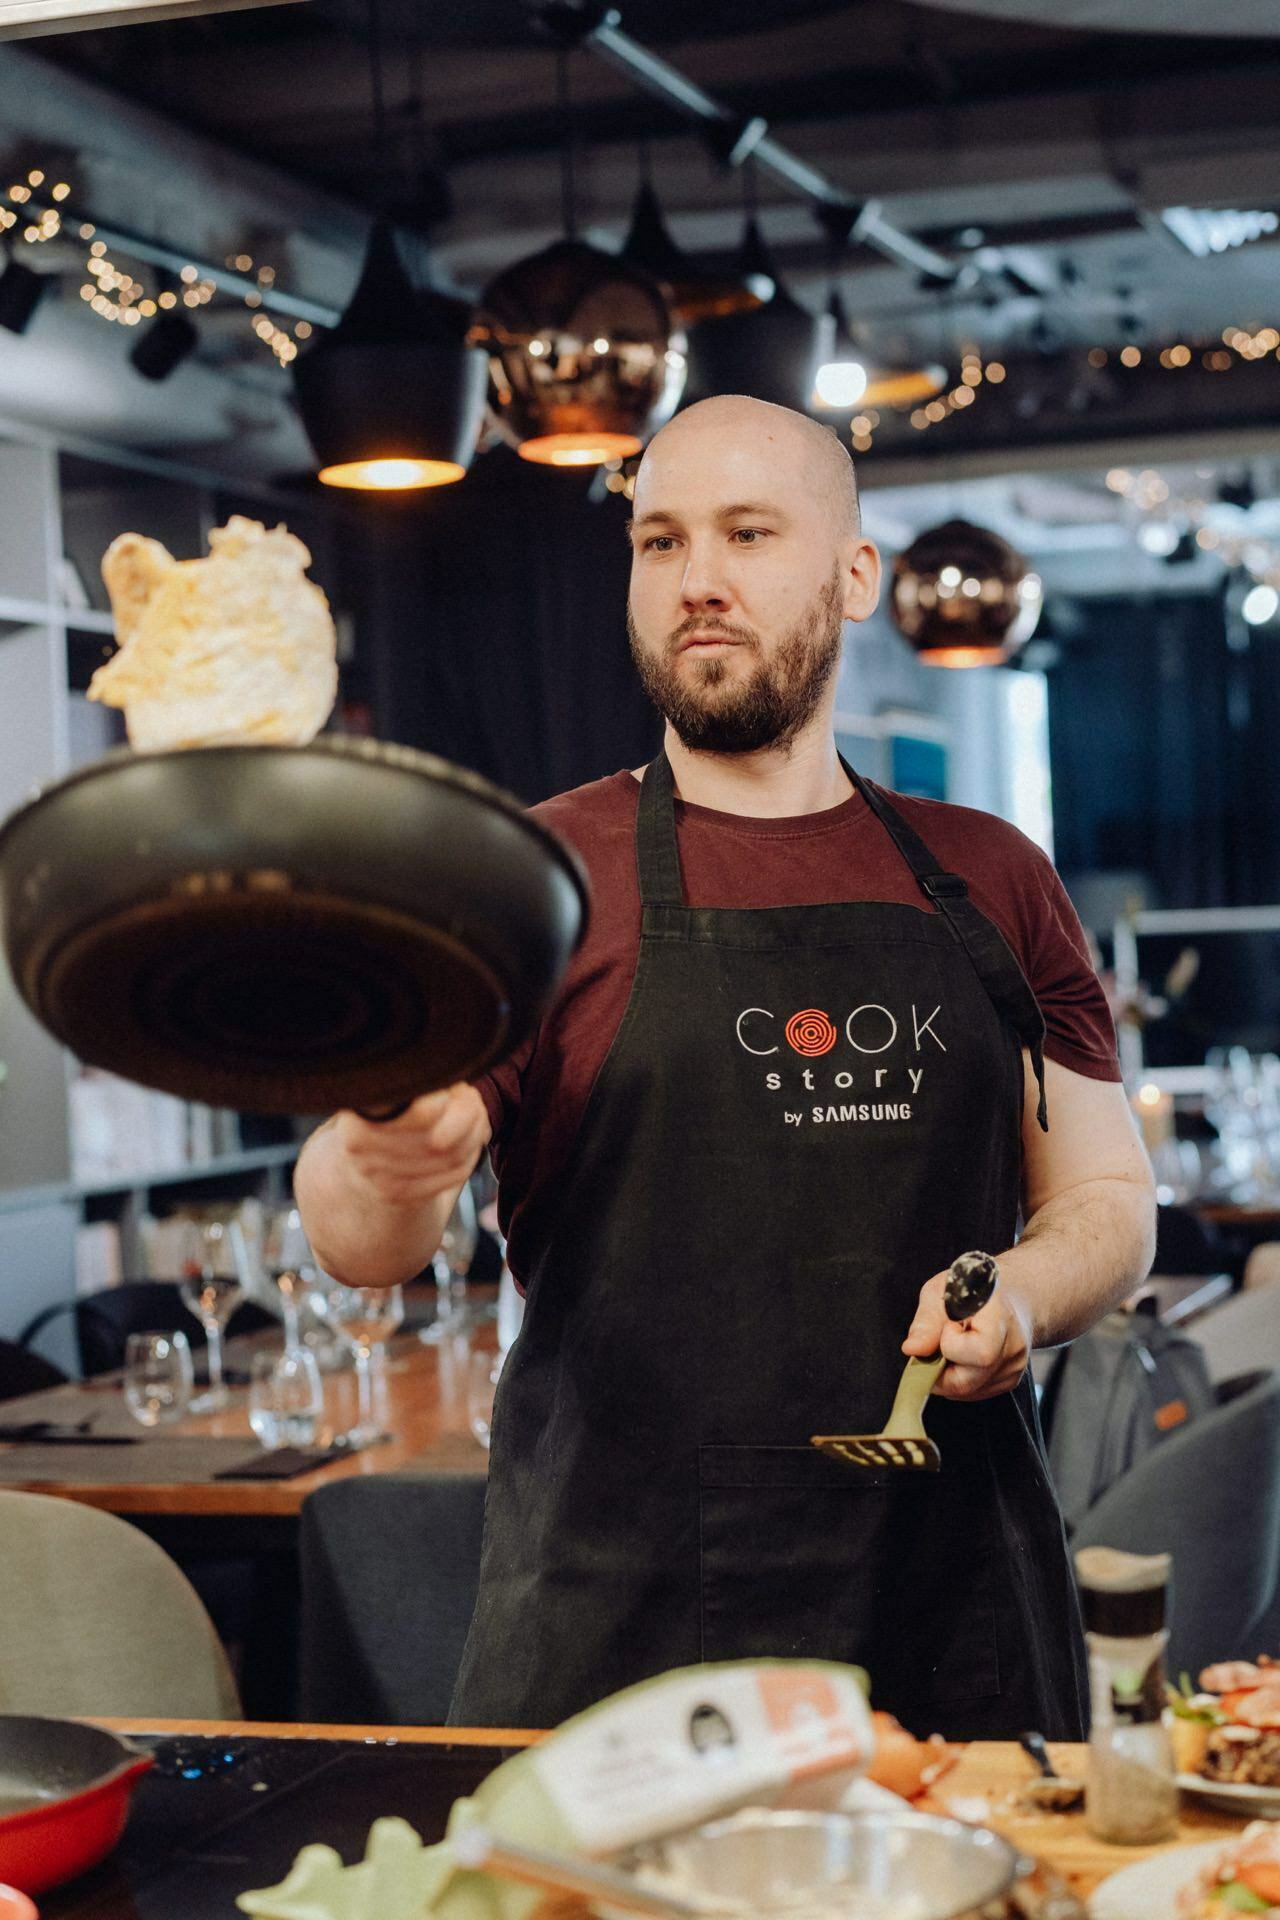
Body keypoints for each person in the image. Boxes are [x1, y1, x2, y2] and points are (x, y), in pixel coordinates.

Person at [296, 394, 1156, 1738]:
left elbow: (1109, 1199)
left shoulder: (993, 876)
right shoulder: (530, 880)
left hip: (955, 1612)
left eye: (749, 534)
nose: (698, 581)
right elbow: (360, 1239)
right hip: (619, 1629)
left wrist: (1032, 1299)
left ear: (856, 575)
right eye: (659, 542)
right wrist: (380, 1154)